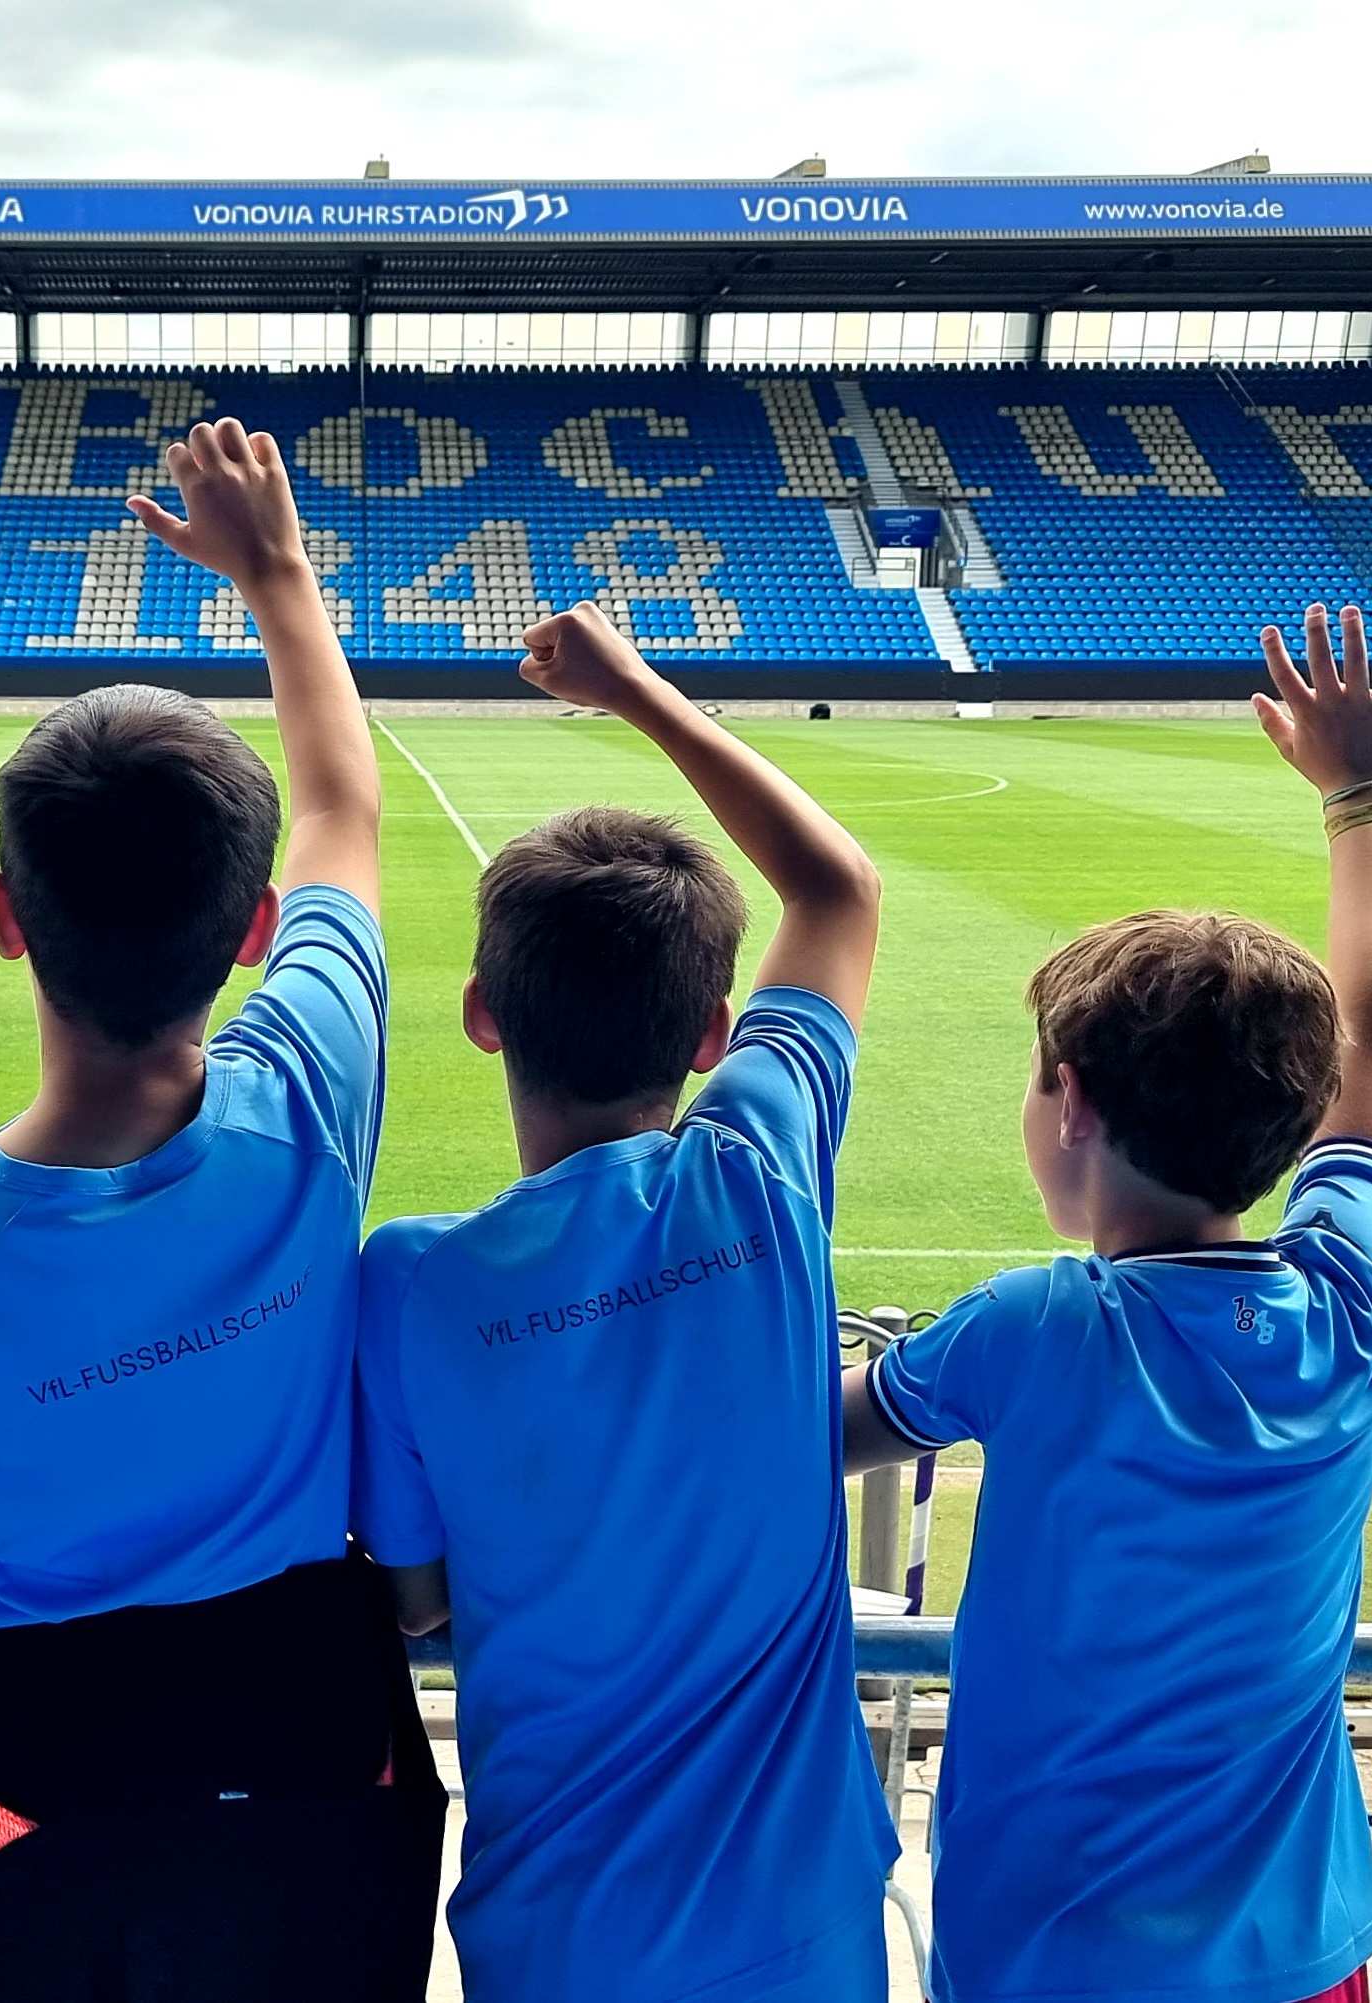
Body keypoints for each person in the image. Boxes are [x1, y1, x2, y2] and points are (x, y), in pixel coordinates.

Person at [0, 417, 436, 2001]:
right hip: (314, 1728)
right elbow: (345, 807)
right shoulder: (307, 1105)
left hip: (36, 1748)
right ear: (254, 928)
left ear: (6, 917)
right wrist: (276, 573)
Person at [849, 606, 1372, 2003]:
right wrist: (1358, 794)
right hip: (1295, 1953)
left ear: (1074, 1108)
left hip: (1047, 1956)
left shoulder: (1037, 1328)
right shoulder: (1350, 1300)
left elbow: (819, 1428)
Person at [352, 604, 894, 2003]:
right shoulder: (757, 1171)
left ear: (482, 1012)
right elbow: (831, 890)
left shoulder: (406, 1280)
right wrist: (633, 690)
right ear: (713, 1038)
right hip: (801, 1914)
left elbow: (418, 1596)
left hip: (556, 1924)